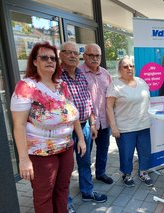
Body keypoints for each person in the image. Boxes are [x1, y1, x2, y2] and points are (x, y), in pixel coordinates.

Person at [10, 41, 86, 213]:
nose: (50, 61)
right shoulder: (26, 87)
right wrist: (23, 159)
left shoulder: (61, 85)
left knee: (62, 190)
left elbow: (73, 115)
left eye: (53, 58)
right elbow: (19, 125)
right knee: (44, 195)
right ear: (35, 61)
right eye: (44, 57)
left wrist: (80, 138)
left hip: (66, 147)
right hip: (40, 152)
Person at [59, 41, 107, 210]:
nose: (72, 56)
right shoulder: (56, 76)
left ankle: (87, 191)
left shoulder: (80, 74)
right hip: (64, 130)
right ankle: (66, 203)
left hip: (85, 126)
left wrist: (92, 124)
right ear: (61, 55)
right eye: (68, 52)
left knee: (85, 161)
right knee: (65, 168)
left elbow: (88, 102)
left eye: (74, 53)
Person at [106, 56, 153, 187]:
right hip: (125, 127)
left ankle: (143, 172)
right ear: (120, 69)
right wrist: (113, 127)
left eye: (131, 66)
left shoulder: (141, 81)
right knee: (126, 153)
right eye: (125, 66)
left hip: (143, 125)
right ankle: (126, 174)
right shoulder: (115, 85)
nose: (129, 68)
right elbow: (109, 106)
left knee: (145, 151)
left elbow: (147, 101)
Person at [79, 43, 113, 185]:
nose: (95, 58)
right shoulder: (78, 73)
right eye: (91, 55)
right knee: (85, 155)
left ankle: (101, 173)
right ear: (84, 56)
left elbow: (111, 96)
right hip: (86, 123)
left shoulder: (105, 74)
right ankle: (86, 183)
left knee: (103, 149)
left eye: (97, 55)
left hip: (104, 120)